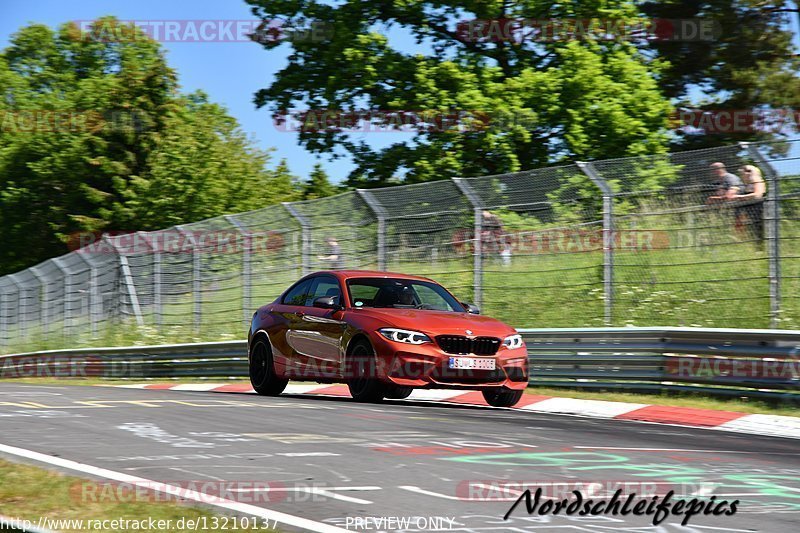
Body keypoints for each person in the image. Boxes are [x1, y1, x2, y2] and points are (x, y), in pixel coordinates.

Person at [734, 164, 766, 242]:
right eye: (744, 171)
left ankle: (759, 247)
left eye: (748, 171)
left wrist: (739, 197)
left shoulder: (758, 181)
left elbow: (758, 194)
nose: (745, 173)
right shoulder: (745, 185)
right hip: (750, 208)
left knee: (758, 226)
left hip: (758, 207)